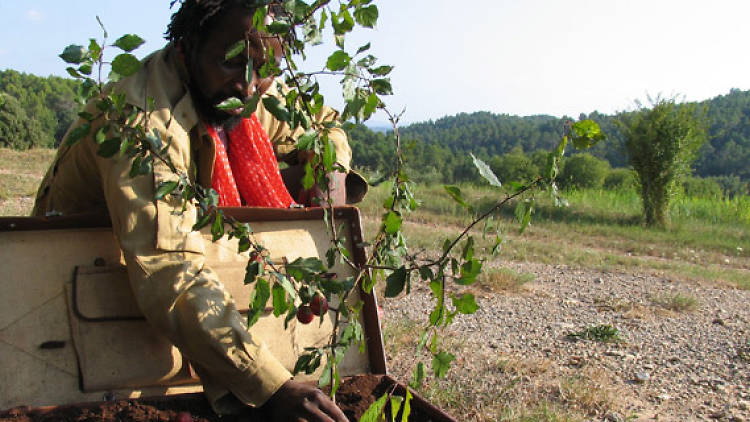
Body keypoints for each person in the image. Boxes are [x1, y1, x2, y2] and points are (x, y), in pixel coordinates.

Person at [32, 1, 363, 421]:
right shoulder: (143, 122)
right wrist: (273, 388)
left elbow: (324, 127)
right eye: (232, 63)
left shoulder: (252, 86)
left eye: (265, 68)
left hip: (172, 257)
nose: (248, 87)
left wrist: (328, 180)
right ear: (188, 44)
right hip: (77, 274)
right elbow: (169, 270)